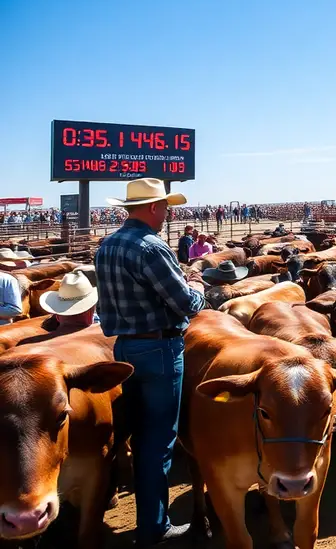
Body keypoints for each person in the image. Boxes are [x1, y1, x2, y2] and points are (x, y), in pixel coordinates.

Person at [94, 178, 205, 546]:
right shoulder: (151, 246)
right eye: (165, 207)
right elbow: (184, 302)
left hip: (124, 347)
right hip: (160, 349)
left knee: (138, 432)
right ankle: (154, 527)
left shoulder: (107, 244)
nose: (167, 213)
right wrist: (199, 289)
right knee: (159, 440)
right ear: (154, 207)